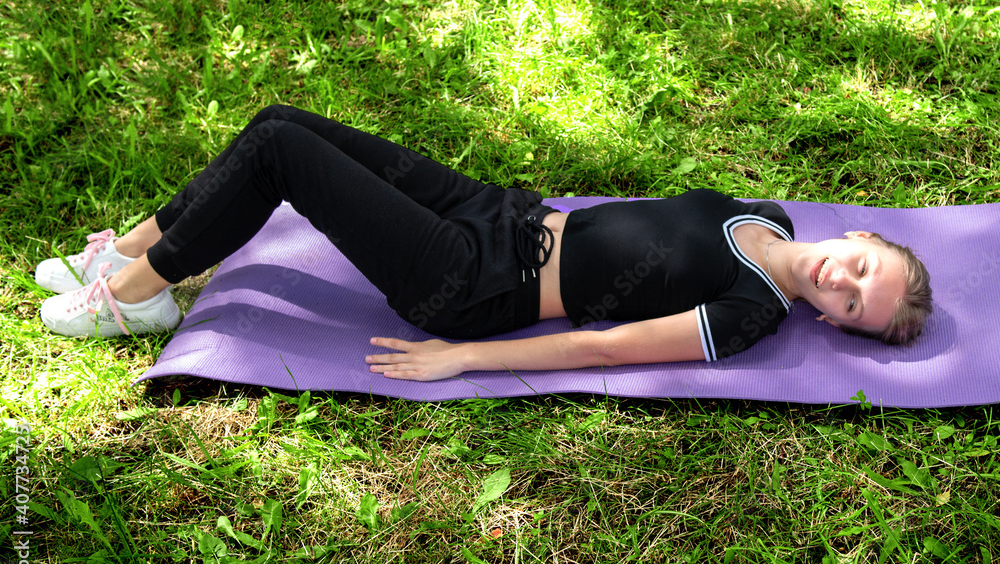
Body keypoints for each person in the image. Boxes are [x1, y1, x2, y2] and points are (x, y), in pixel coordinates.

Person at [34, 105, 933, 381]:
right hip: (497, 213)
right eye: (864, 267)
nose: (842, 284)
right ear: (859, 236)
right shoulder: (768, 221)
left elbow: (609, 344)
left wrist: (461, 357)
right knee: (278, 120)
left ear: (837, 327)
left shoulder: (748, 316)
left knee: (281, 156)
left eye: (853, 307)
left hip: (469, 278)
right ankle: (131, 252)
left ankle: (144, 288)